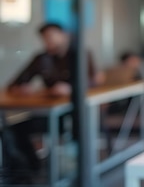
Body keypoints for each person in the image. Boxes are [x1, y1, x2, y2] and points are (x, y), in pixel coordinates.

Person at [5, 22, 99, 172]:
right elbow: (16, 83)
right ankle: (30, 168)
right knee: (11, 128)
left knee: (75, 128)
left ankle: (77, 169)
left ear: (64, 35)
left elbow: (93, 81)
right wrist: (22, 88)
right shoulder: (41, 58)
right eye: (45, 38)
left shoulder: (79, 54)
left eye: (51, 36)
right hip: (48, 112)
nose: (48, 41)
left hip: (74, 114)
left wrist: (71, 89)